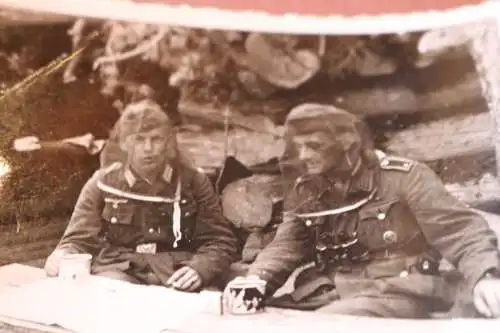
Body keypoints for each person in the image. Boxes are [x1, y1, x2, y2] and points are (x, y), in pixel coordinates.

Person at [226, 103, 500, 318]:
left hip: (397, 291)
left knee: (324, 325)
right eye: (298, 148)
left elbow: (461, 230)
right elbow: (287, 245)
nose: (304, 156)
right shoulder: (308, 189)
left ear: (348, 145)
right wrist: (256, 280)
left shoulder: (405, 177)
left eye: (314, 146)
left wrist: (485, 277)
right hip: (330, 291)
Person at [44, 99, 238, 292]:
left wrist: (199, 269)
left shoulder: (193, 182)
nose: (148, 148)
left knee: (207, 302)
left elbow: (220, 241)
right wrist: (62, 254)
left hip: (177, 270)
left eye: (156, 139)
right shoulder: (104, 182)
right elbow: (77, 240)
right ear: (125, 143)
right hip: (121, 269)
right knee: (110, 294)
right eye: (139, 139)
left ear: (168, 142)